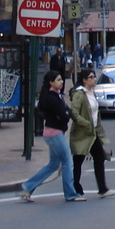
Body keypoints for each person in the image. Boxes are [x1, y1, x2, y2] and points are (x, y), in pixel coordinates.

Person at [18, 70, 85, 202]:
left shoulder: (56, 96)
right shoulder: (51, 97)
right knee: (67, 162)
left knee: (53, 164)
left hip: (52, 132)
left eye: (61, 79)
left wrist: (65, 113)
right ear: (51, 82)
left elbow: (67, 112)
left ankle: (27, 187)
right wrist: (64, 113)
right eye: (58, 80)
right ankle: (70, 193)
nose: (61, 82)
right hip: (55, 133)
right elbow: (65, 116)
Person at [69, 69, 115, 199]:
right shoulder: (79, 94)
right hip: (82, 134)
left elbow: (95, 113)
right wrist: (86, 123)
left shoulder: (91, 93)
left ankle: (102, 188)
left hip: (92, 133)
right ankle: (76, 189)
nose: (94, 79)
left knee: (99, 157)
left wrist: (96, 128)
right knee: (78, 161)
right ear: (84, 80)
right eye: (91, 77)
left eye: (94, 76)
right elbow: (74, 113)